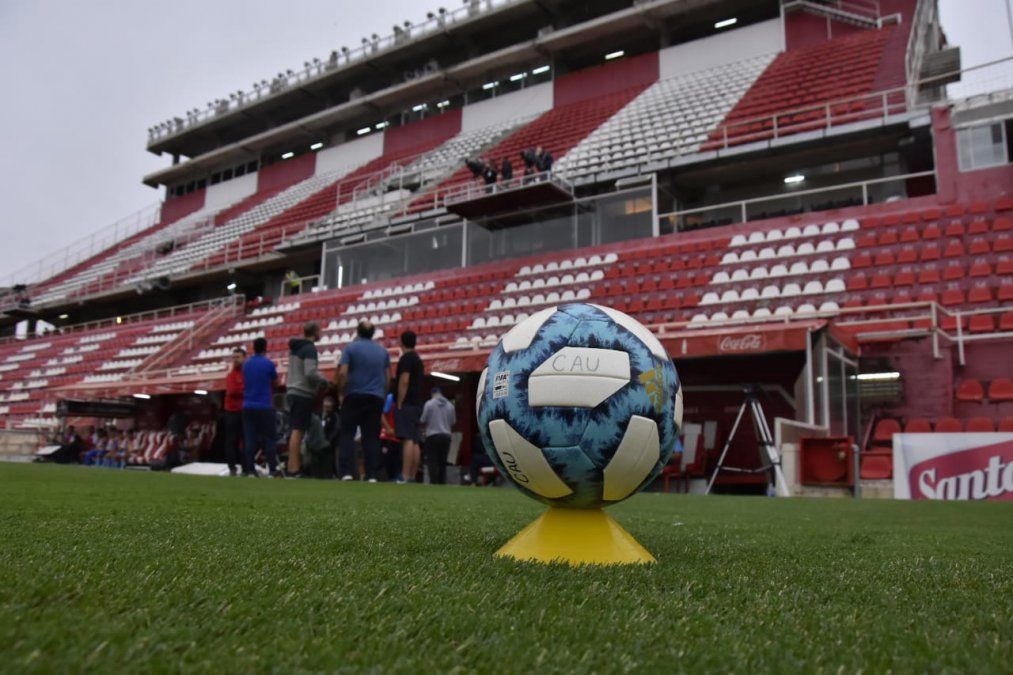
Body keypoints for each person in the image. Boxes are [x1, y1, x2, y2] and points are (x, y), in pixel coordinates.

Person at [334, 320, 390, 482]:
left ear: (357, 332)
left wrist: (341, 392)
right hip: (375, 397)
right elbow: (388, 378)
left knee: (347, 435)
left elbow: (343, 373)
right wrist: (382, 395)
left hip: (353, 395)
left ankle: (346, 473)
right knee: (371, 437)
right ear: (373, 334)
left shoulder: (350, 348)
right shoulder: (382, 351)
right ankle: (371, 474)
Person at [286, 322, 328, 476]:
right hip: (302, 392)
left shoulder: (295, 348)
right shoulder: (310, 348)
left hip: (292, 390)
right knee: (298, 431)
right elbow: (310, 372)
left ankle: (292, 466)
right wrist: (324, 381)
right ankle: (294, 468)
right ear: (315, 332)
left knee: (296, 430)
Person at [242, 337, 280, 477]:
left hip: (248, 405)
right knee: (270, 438)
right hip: (264, 405)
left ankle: (250, 470)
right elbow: (275, 382)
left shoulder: (246, 364)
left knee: (250, 438)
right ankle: (272, 469)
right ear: (266, 347)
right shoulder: (268, 364)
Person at [395, 331, 425, 483]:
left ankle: (404, 475)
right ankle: (412, 476)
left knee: (407, 439)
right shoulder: (418, 359)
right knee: (415, 440)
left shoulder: (406, 358)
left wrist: (400, 401)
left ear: (401, 342)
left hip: (407, 403)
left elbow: (404, 380)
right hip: (417, 403)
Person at [420, 387, 456, 484]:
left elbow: (423, 419)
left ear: (432, 393)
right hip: (446, 436)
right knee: (442, 461)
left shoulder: (429, 404)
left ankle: (433, 482)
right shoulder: (450, 406)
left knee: (432, 460)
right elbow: (453, 421)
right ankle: (442, 482)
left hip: (432, 435)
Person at [223, 347, 245, 476]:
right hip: (231, 411)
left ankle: (245, 466)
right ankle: (232, 467)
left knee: (244, 440)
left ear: (244, 358)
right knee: (231, 440)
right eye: (234, 357)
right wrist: (244, 389)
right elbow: (232, 391)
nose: (235, 360)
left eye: (238, 357)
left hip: (243, 410)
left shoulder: (246, 373)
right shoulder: (231, 375)